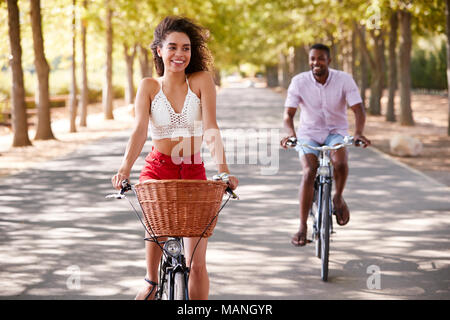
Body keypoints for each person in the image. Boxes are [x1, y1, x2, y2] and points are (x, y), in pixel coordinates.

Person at [111, 16, 238, 300]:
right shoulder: (148, 87)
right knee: (156, 227)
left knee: (197, 265)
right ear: (159, 50)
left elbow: (211, 128)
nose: (180, 54)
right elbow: (139, 131)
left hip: (193, 169)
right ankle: (151, 281)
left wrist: (225, 171)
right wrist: (123, 170)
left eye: (186, 48)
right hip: (158, 167)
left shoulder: (201, 81)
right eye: (172, 47)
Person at [280, 43, 370, 247]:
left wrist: (358, 133)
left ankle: (337, 197)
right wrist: (291, 135)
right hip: (308, 134)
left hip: (335, 133)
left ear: (329, 60)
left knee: (340, 163)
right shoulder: (299, 82)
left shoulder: (344, 80)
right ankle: (302, 226)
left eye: (320, 58)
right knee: (309, 170)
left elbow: (358, 109)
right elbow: (288, 115)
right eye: (313, 58)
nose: (316, 62)